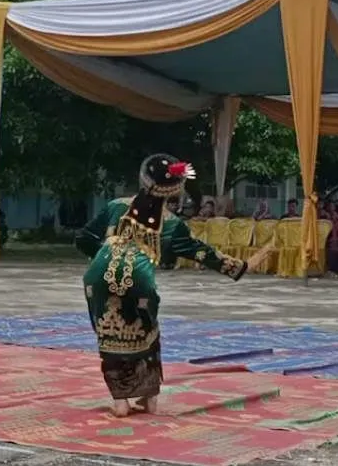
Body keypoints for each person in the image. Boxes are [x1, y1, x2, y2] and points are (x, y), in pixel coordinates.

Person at [76, 154, 276, 417]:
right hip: (138, 280)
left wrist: (105, 256)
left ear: (143, 180)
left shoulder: (115, 206)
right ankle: (148, 399)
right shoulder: (171, 224)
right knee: (146, 333)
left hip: (98, 275)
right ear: (173, 190)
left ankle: (120, 401)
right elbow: (203, 253)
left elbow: (83, 238)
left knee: (109, 333)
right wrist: (242, 265)